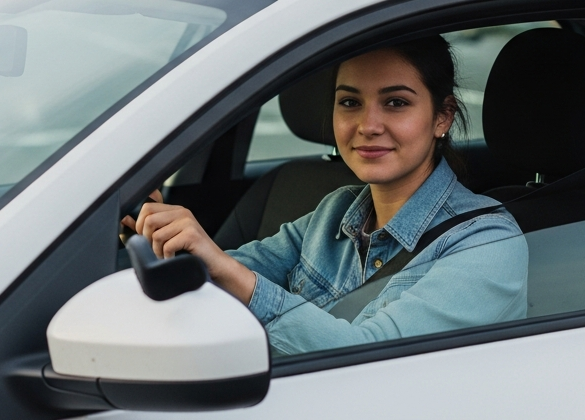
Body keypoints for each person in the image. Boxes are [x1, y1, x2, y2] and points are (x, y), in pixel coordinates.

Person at [129, 35, 528, 355]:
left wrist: (231, 274)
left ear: (442, 116)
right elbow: (219, 273)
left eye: (395, 103)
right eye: (350, 102)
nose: (368, 125)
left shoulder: (486, 243)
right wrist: (159, 240)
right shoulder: (335, 212)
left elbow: (368, 360)